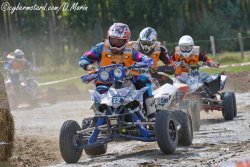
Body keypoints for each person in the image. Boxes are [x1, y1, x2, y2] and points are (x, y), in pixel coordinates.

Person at [79, 23, 157, 121]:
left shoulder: (131, 50)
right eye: (113, 40)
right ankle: (99, 119)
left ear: (126, 40)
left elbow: (146, 59)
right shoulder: (100, 47)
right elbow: (84, 58)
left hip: (127, 81)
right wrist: (88, 66)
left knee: (144, 81)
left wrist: (139, 65)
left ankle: (151, 114)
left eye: (119, 41)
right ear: (109, 37)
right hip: (104, 83)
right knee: (98, 98)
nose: (115, 44)